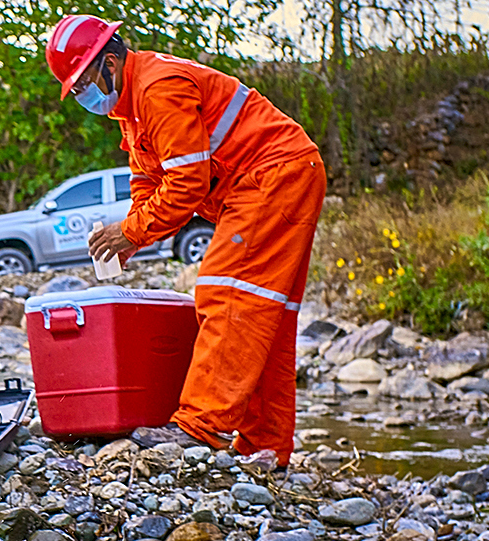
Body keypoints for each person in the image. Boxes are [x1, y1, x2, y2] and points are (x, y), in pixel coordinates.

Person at [45, 15, 327, 468]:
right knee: (265, 318)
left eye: (82, 84)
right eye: (75, 90)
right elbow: (150, 180)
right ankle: (266, 447)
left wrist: (131, 230)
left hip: (273, 176)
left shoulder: (158, 89)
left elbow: (187, 185)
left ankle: (200, 426)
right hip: (274, 178)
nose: (82, 96)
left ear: (110, 64)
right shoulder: (132, 108)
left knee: (226, 292)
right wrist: (133, 235)